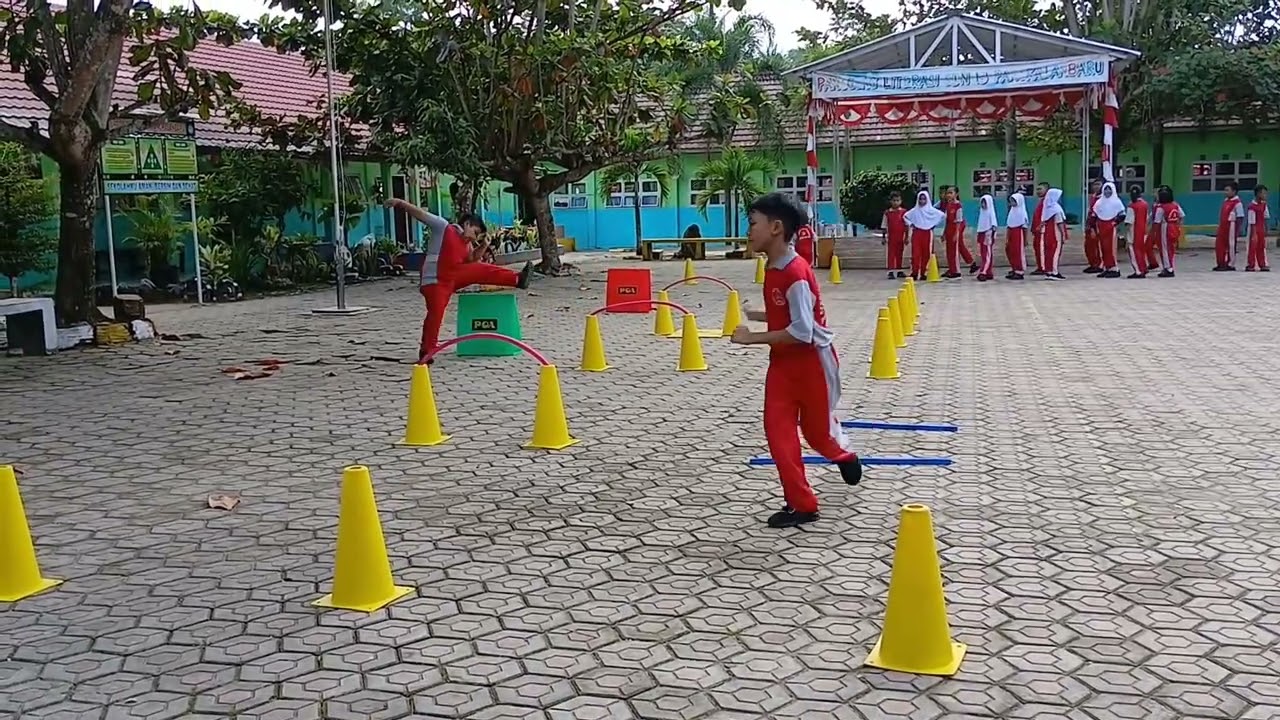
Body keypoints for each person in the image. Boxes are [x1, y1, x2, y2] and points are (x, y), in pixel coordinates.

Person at [731, 192, 862, 529]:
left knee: (817, 435)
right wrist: (760, 314)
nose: (748, 231)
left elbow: (803, 331)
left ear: (776, 228)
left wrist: (751, 338)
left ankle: (844, 455)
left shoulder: (795, 273)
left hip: (811, 365)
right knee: (778, 433)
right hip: (782, 366)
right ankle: (802, 504)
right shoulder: (773, 268)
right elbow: (786, 313)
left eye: (752, 224)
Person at [386, 198, 534, 362]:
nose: (474, 238)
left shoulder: (467, 244)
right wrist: (399, 203)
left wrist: (484, 245)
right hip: (435, 279)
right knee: (435, 315)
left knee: (480, 269)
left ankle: (517, 279)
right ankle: (427, 351)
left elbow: (471, 259)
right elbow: (420, 214)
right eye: (475, 233)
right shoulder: (443, 227)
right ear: (467, 224)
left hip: (451, 279)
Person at [906, 190, 945, 281]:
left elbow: (942, 216)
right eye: (920, 199)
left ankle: (924, 272)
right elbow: (905, 217)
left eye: (924, 199)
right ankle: (914, 272)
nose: (922, 201)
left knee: (926, 253)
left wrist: (933, 224)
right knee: (916, 253)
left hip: (927, 233)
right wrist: (911, 224)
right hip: (917, 233)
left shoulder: (931, 210)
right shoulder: (915, 210)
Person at [940, 185, 977, 278]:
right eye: (947, 193)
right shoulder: (948, 205)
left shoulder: (958, 206)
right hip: (949, 229)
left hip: (956, 228)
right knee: (952, 249)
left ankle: (956, 271)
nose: (948, 195)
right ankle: (955, 267)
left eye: (951, 193)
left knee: (955, 249)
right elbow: (947, 221)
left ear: (956, 194)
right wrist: (944, 233)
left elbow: (959, 222)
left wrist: (957, 234)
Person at [1093, 182, 1125, 278]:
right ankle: (1106, 268)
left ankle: (1114, 269)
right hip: (1101, 227)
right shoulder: (1099, 202)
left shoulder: (1117, 202)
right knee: (1102, 248)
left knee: (1111, 248)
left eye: (1109, 189)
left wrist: (1115, 223)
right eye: (1105, 189)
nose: (1107, 191)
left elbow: (1122, 214)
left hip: (1111, 227)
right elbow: (1094, 215)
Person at [1214, 182, 1246, 271]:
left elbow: (1240, 216)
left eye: (1227, 190)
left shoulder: (1237, 203)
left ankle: (1229, 264)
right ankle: (1220, 263)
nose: (1225, 192)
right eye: (1225, 190)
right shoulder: (1226, 201)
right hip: (1223, 226)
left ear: (1234, 191)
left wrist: (1238, 229)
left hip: (1231, 227)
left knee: (1230, 246)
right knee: (1219, 245)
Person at [1153, 186, 1184, 278]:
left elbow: (1157, 221)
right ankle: (1168, 267)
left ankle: (1168, 268)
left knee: (1165, 249)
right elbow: (1182, 216)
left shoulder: (1161, 207)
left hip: (1165, 228)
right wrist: (1178, 226)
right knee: (1171, 249)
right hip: (1174, 226)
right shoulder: (1175, 205)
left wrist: (1154, 233)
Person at [1040, 188, 1068, 280]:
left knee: (1048, 252)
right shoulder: (1056, 209)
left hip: (1047, 233)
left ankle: (1048, 271)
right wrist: (1063, 235)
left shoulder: (1046, 208)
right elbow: (1060, 223)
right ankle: (1054, 272)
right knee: (1055, 252)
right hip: (1055, 234)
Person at [1124, 186, 1151, 279]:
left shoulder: (1131, 206)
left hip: (1133, 231)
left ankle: (1138, 271)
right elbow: (1147, 218)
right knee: (1141, 251)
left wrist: (1125, 234)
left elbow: (1129, 221)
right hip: (1143, 230)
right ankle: (1143, 268)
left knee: (1133, 251)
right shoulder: (1145, 204)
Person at [883, 192, 908, 279]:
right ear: (890, 201)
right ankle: (890, 271)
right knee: (891, 254)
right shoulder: (887, 213)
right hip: (891, 237)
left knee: (899, 254)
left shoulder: (904, 212)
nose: (896, 202)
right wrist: (883, 237)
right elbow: (884, 225)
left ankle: (899, 270)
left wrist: (907, 237)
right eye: (894, 201)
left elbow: (906, 225)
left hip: (901, 237)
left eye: (897, 200)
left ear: (901, 201)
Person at [1004, 192, 1029, 280]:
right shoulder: (1012, 212)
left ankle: (1019, 271)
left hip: (1019, 235)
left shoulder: (1022, 213)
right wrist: (1007, 238)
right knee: (1010, 251)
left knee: (1018, 252)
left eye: (1014, 201)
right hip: (1011, 234)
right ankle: (1014, 268)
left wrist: (1025, 239)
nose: (1012, 203)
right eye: (1011, 201)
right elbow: (1008, 225)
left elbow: (1025, 228)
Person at [1246, 185, 1271, 272]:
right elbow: (1252, 222)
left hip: (1261, 228)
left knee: (1261, 246)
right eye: (1264, 193)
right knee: (1252, 247)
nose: (1265, 195)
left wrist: (1267, 229)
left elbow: (1266, 217)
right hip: (1254, 228)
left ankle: (1262, 264)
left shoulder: (1264, 205)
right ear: (1258, 194)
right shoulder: (1252, 207)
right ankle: (1251, 264)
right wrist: (1254, 234)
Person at [975, 194, 998, 282]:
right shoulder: (982, 212)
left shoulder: (990, 212)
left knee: (987, 254)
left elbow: (994, 225)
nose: (983, 204)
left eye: (985, 202)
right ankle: (988, 272)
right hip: (982, 233)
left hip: (988, 234)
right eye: (982, 202)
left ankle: (983, 272)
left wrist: (990, 233)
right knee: (984, 254)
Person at [1083, 179, 1104, 274]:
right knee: (1088, 246)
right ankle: (1092, 264)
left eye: (1098, 184)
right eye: (1094, 184)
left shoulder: (1104, 198)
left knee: (1098, 245)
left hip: (1098, 225)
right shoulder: (1093, 197)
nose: (1096, 186)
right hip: (1090, 224)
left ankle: (1099, 265)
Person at [1030, 182, 1050, 275]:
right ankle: (1040, 266)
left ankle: (1043, 267)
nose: (1038, 191)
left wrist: (1041, 226)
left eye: (1040, 189)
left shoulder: (1047, 202)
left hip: (1042, 231)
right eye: (1037, 189)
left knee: (1041, 249)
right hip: (1037, 231)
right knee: (1037, 249)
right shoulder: (1041, 201)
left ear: (1046, 190)